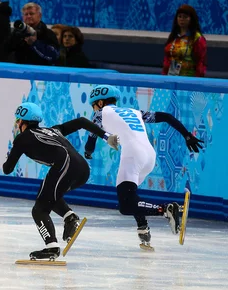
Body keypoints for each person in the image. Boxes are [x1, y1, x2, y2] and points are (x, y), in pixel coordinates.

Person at [85, 85, 204, 248]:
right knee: (132, 197)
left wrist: (88, 153)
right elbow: (167, 116)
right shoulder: (134, 112)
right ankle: (143, 228)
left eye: (93, 105)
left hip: (133, 155)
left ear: (99, 102)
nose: (93, 109)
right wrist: (187, 135)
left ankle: (166, 209)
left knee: (125, 205)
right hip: (149, 156)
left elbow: (91, 138)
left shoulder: (100, 114)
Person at [2, 102, 119, 260]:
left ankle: (52, 247)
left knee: (39, 209)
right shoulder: (53, 129)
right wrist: (106, 136)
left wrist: (10, 154)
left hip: (66, 165)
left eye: (18, 121)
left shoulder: (22, 139)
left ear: (24, 122)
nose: (17, 124)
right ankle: (70, 218)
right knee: (48, 195)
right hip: (83, 169)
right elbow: (82, 122)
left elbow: (7, 169)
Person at [162, 4, 207, 77]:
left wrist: (197, 81)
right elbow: (167, 58)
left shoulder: (197, 38)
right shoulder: (174, 36)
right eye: (179, 16)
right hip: (170, 77)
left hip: (188, 79)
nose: (182, 19)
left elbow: (201, 62)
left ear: (191, 19)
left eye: (185, 17)